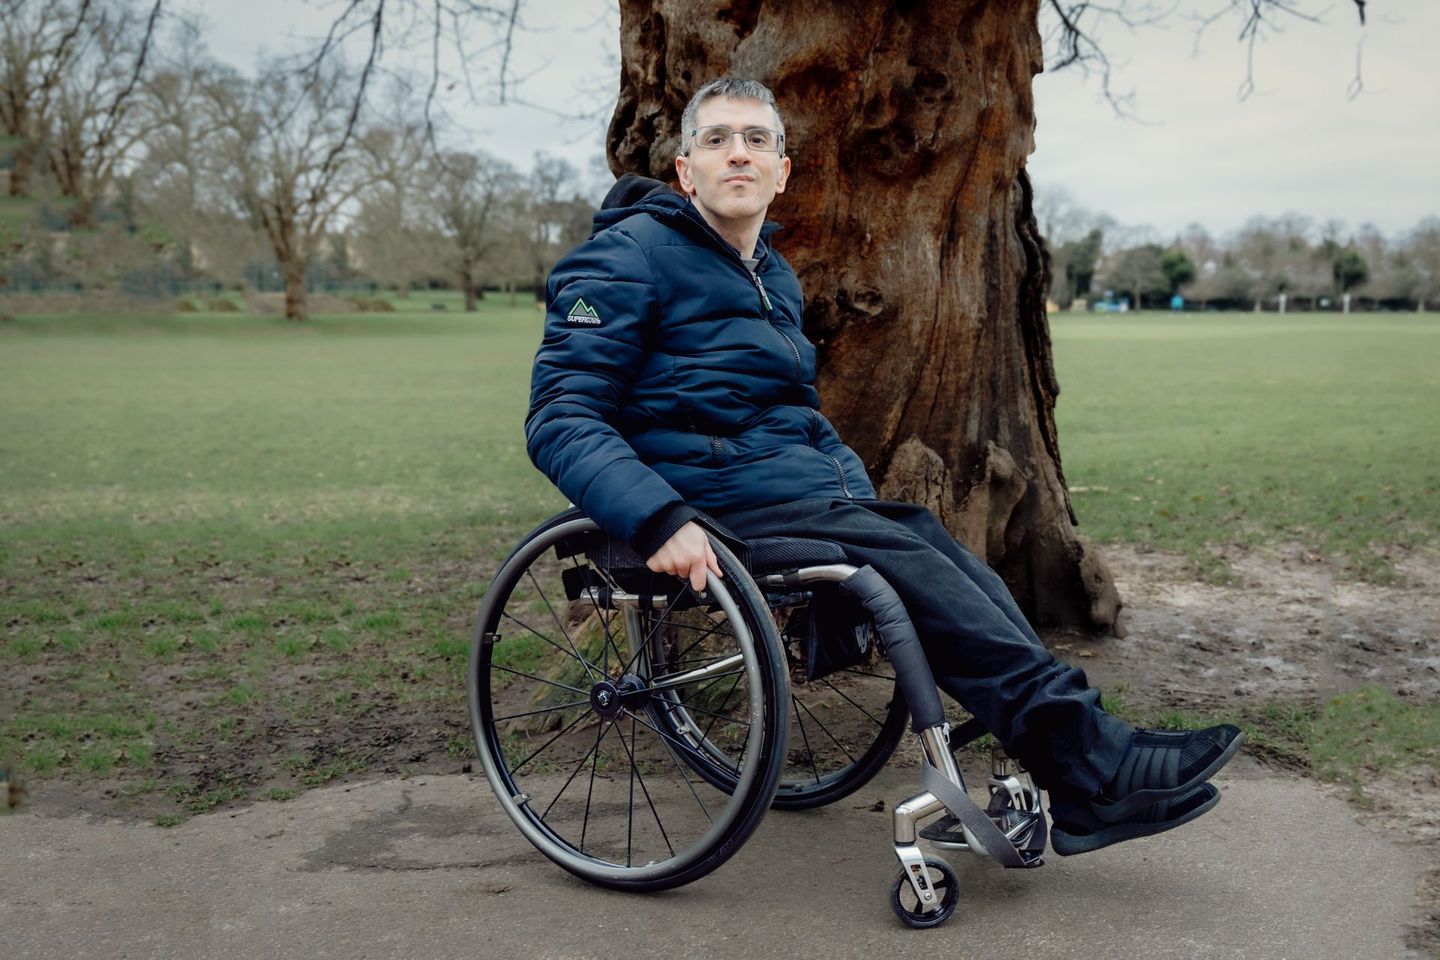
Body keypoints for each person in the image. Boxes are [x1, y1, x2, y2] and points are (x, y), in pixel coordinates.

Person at [525, 77, 1242, 856]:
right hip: (703, 504)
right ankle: (1092, 757)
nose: (739, 153)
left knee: (942, 554)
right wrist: (659, 518)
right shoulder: (623, 259)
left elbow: (794, 414)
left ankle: (1077, 773)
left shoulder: (769, 273)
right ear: (685, 171)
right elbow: (560, 416)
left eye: (757, 140)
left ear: (782, 171)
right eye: (717, 139)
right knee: (905, 559)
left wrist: (849, 494)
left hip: (788, 497)